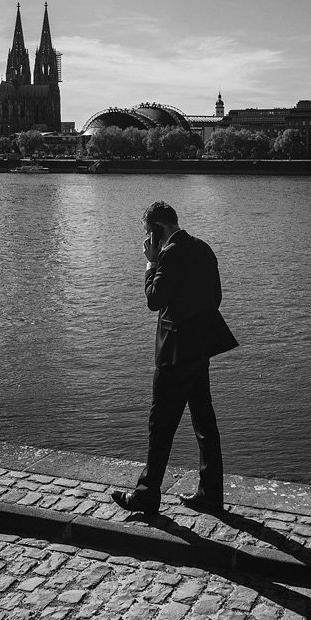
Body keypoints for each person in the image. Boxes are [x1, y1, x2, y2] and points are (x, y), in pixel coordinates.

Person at [112, 200, 238, 516]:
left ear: (158, 229)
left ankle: (146, 497)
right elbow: (215, 298)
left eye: (148, 233)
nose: (147, 240)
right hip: (200, 350)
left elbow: (154, 300)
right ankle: (210, 494)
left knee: (161, 424)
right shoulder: (204, 248)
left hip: (175, 353)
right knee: (204, 422)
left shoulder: (168, 253)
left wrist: (150, 263)